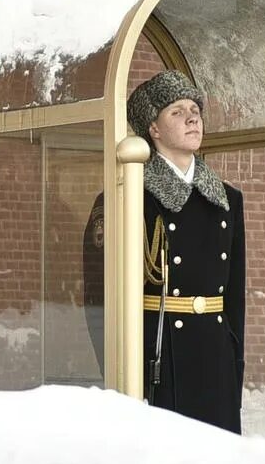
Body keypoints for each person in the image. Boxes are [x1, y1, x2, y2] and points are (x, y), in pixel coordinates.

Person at [82, 70, 246, 433]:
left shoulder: (227, 200)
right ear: (153, 129)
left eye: (195, 110)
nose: (192, 118)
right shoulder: (128, 198)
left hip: (215, 364)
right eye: (176, 111)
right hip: (160, 362)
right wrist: (121, 377)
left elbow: (234, 298)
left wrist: (235, 366)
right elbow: (99, 298)